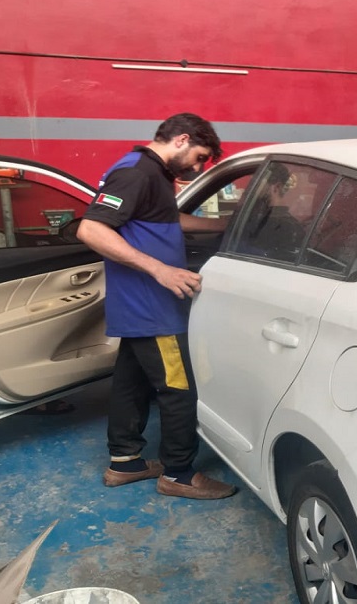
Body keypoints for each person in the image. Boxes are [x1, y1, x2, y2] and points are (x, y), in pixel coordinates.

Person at [77, 113, 236, 500]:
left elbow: (167, 220)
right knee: (178, 389)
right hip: (153, 307)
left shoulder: (153, 173)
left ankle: (125, 462)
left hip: (139, 308)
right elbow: (91, 228)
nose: (197, 168)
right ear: (182, 140)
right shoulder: (135, 172)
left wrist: (225, 226)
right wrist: (160, 269)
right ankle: (178, 474)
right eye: (199, 157)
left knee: (130, 384)